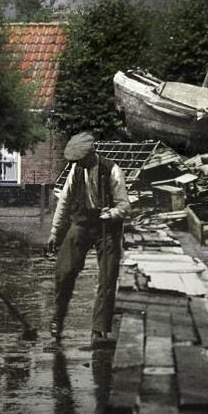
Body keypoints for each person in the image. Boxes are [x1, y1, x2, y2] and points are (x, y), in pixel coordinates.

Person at [47, 132, 131, 346]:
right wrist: (55, 233)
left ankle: (99, 330)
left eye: (81, 160)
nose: (78, 164)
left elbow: (125, 206)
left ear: (91, 154)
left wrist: (112, 213)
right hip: (83, 223)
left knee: (107, 276)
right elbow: (64, 202)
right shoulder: (76, 170)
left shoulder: (112, 170)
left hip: (108, 226)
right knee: (64, 270)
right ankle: (57, 319)